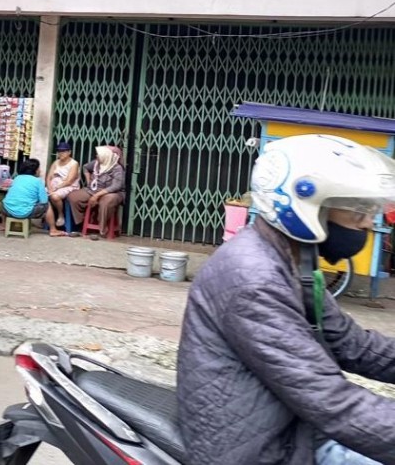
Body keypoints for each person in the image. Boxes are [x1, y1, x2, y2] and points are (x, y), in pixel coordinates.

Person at [178, 134, 395, 465]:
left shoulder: (293, 260)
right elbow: (330, 400)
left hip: (293, 428)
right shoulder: (254, 279)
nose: (368, 222)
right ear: (304, 206)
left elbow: (355, 345)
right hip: (262, 450)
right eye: (358, 210)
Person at [68, 145, 125, 237]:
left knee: (106, 201)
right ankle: (81, 222)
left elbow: (116, 186)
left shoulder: (117, 168)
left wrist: (97, 195)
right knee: (73, 196)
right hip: (94, 190)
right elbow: (85, 167)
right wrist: (89, 181)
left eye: (98, 155)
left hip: (111, 192)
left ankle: (103, 228)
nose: (96, 156)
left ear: (106, 156)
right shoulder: (96, 163)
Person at [1, 158, 60, 236]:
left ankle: (4, 224)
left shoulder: (17, 178)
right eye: (39, 169)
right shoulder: (37, 181)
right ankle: (53, 230)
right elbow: (44, 201)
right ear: (35, 170)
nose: (40, 171)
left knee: (4, 202)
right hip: (25, 213)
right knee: (48, 205)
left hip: (8, 211)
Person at [46, 141, 80, 228]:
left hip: (68, 186)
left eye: (63, 151)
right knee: (40, 194)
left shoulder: (74, 164)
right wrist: (49, 188)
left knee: (55, 196)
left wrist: (56, 188)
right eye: (59, 151)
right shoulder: (56, 162)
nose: (61, 153)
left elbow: (69, 181)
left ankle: (60, 215)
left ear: (69, 152)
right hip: (54, 185)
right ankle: (46, 217)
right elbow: (49, 177)